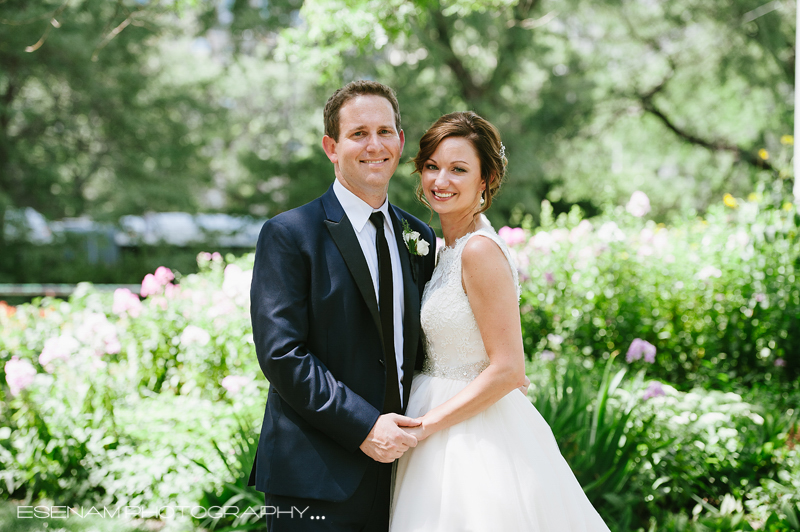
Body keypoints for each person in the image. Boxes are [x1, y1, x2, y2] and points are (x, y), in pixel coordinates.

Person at [389, 112, 611, 531]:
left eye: (459, 169)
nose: (441, 180)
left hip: (471, 433)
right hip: (434, 416)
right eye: (432, 166)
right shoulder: (442, 249)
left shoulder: (478, 252)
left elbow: (509, 368)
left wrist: (423, 427)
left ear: (485, 179)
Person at [247, 80, 437, 531]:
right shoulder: (290, 235)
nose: (375, 145)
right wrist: (366, 428)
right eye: (358, 134)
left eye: (385, 132)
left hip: (405, 474)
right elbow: (282, 355)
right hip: (315, 475)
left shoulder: (420, 238)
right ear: (332, 147)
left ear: (401, 141)